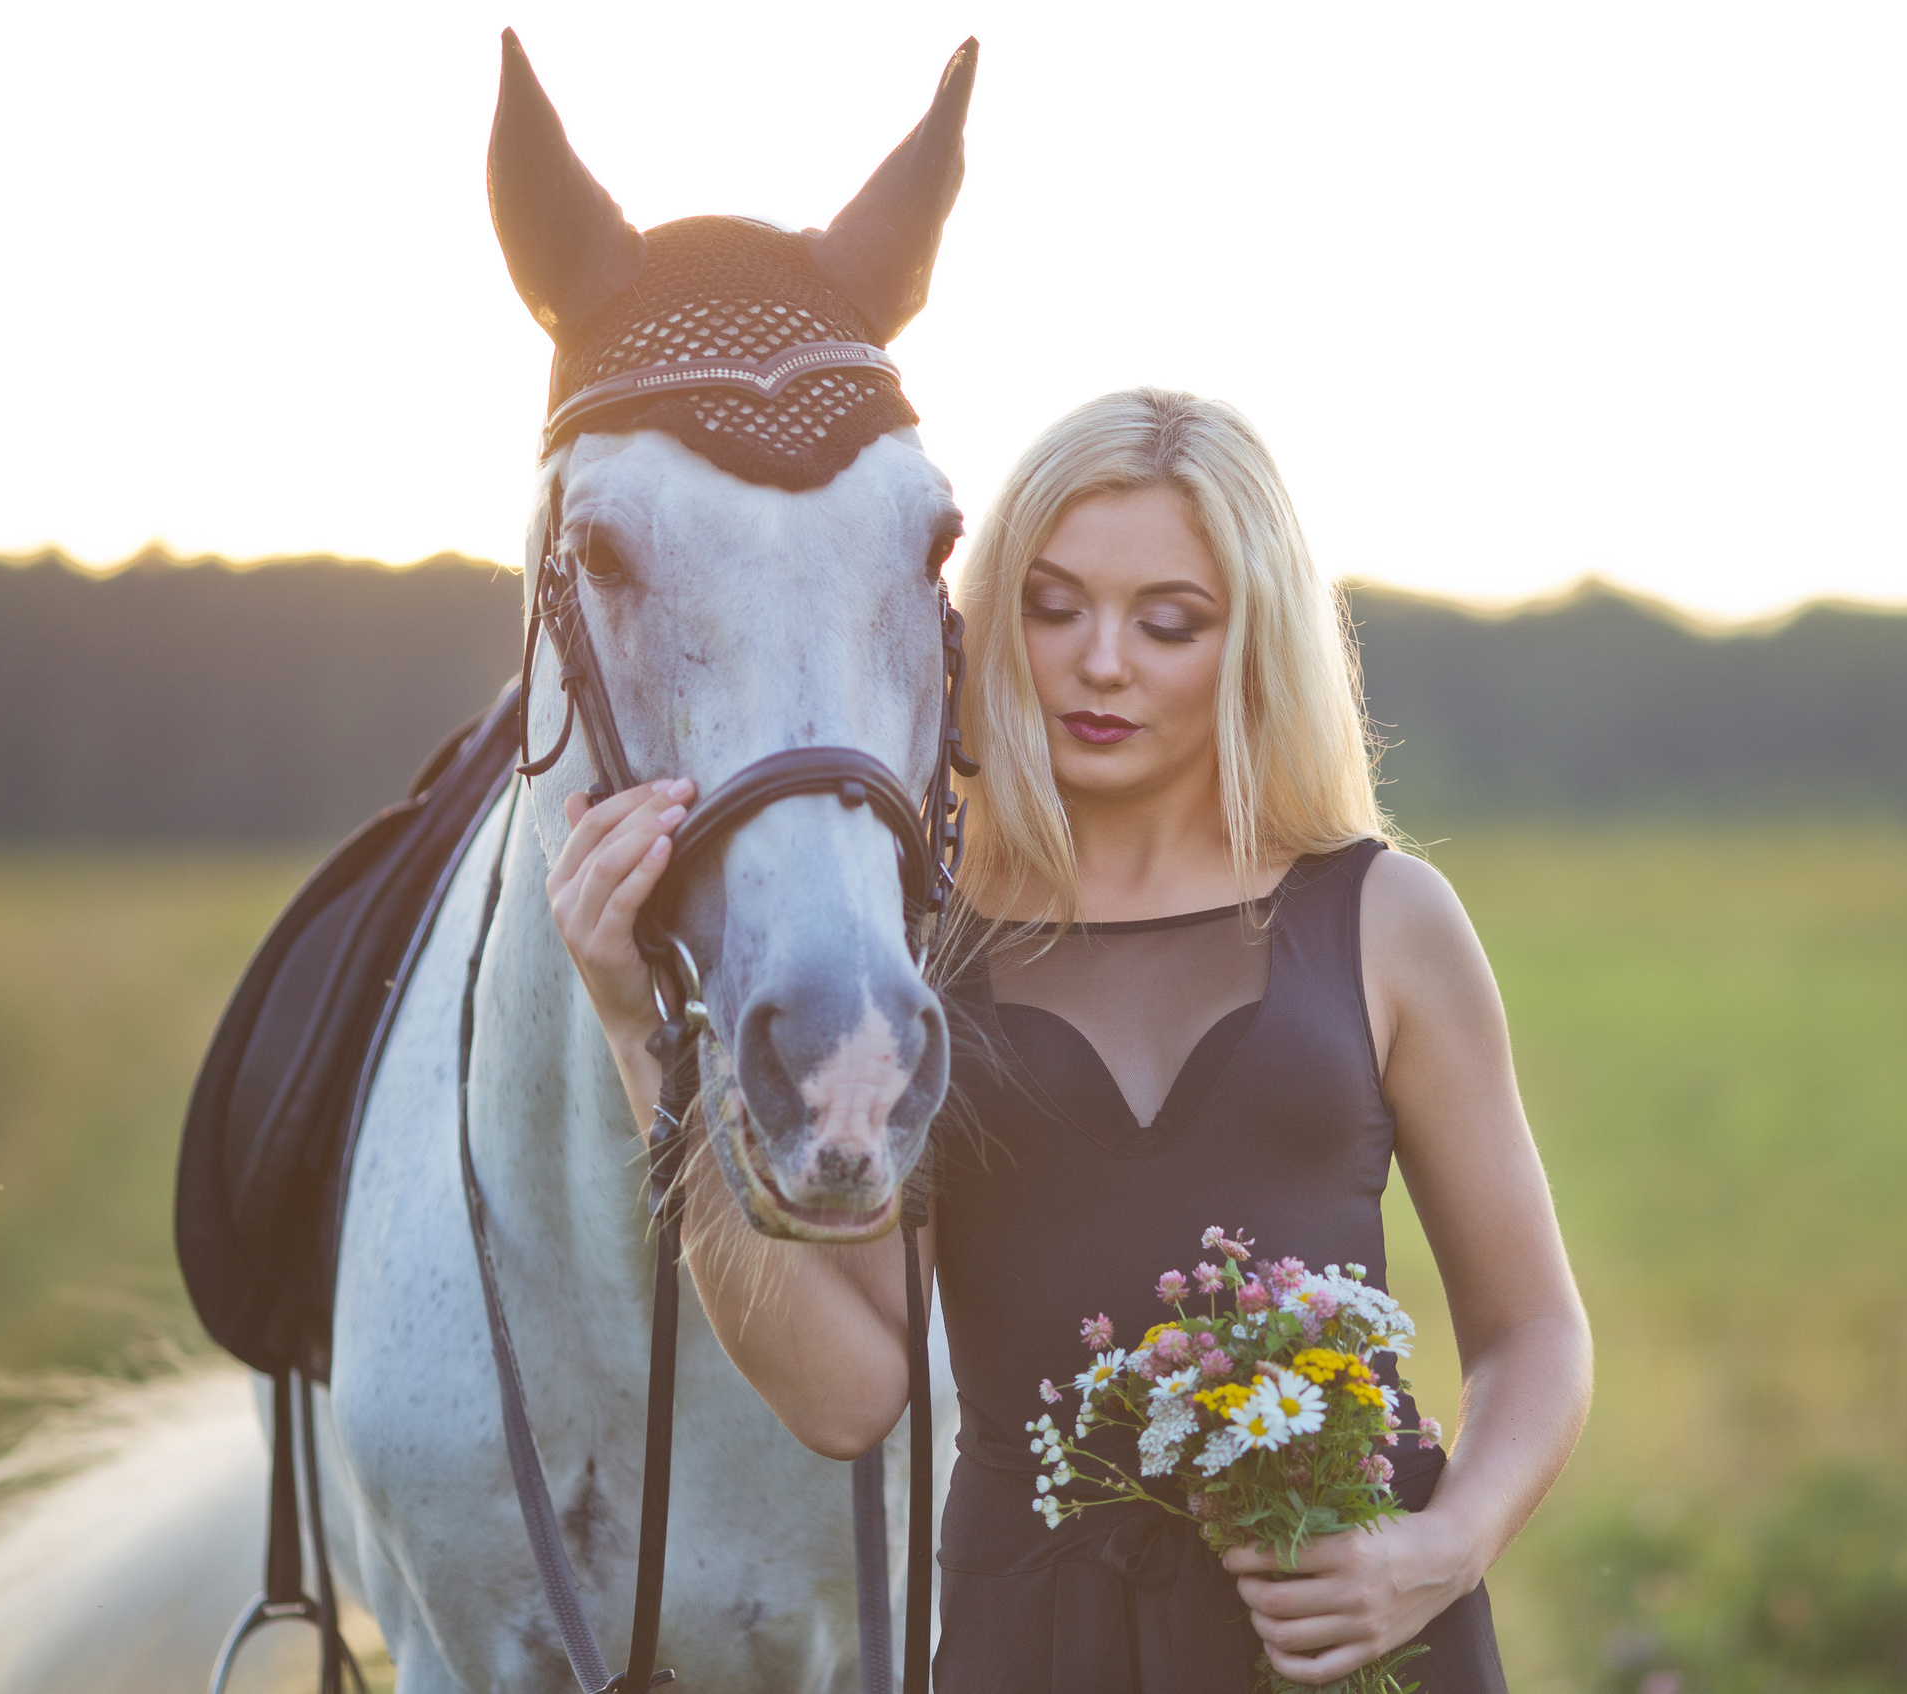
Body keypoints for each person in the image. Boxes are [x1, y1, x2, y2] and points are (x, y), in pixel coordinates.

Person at [546, 388, 1592, 1691]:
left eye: (1169, 622)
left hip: (1345, 1631)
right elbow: (844, 1395)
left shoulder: (1387, 919)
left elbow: (1533, 1327)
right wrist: (642, 1028)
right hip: (1033, 1642)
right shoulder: (930, 955)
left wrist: (1443, 1548)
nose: (1103, 660)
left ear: (1254, 640)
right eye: (1052, 608)